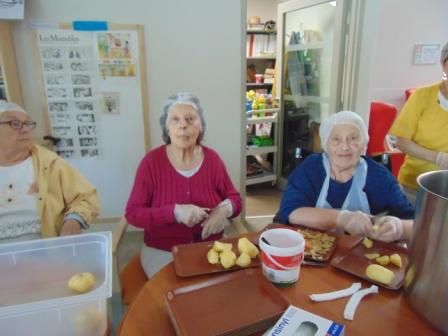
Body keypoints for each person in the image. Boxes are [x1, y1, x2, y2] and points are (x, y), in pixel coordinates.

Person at [126, 93, 242, 278]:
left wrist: (224, 210)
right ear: (166, 127)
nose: (183, 125)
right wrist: (174, 212)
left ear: (200, 125)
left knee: (224, 294)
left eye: (190, 119)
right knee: (179, 295)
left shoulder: (213, 159)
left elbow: (235, 199)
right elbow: (133, 214)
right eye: (175, 120)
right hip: (164, 251)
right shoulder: (151, 163)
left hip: (211, 246)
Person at [277, 111, 414, 242]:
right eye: (336, 139)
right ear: (326, 144)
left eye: (353, 138)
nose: (344, 147)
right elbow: (290, 212)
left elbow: (414, 223)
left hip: (359, 258)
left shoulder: (379, 177)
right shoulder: (311, 168)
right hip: (311, 251)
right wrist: (342, 219)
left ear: (363, 144)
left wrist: (400, 228)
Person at [0, 100, 99, 243]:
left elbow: (85, 198)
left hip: (47, 253)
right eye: (14, 124)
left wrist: (73, 220)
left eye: (28, 124)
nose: (25, 129)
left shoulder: (51, 163)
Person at [389, 41, 448, 205]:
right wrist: (438, 158)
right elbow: (401, 141)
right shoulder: (422, 96)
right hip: (415, 186)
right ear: (444, 64)